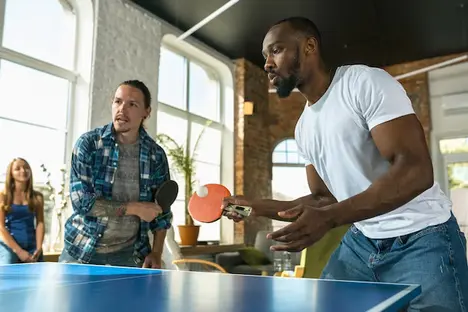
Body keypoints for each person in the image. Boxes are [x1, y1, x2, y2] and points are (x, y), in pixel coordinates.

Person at [223, 17, 468, 311]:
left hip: (423, 236)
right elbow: (323, 197)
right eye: (265, 56)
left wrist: (330, 218)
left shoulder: (363, 83)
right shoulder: (304, 128)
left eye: (276, 50)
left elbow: (416, 171)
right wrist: (252, 206)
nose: (267, 64)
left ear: (309, 46)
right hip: (363, 240)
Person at [59, 80, 172, 268]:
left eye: (132, 104)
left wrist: (156, 252)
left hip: (130, 255)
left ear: (146, 112)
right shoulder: (88, 144)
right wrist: (135, 208)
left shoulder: (156, 155)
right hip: (81, 250)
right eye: (118, 102)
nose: (122, 109)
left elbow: (162, 211)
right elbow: (83, 203)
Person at [0, 158, 44, 264]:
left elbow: (40, 223)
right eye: (17, 169)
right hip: (9, 247)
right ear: (11, 173)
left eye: (26, 168)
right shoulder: (3, 196)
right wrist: (19, 251)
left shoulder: (37, 197)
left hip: (32, 245)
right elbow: (0, 226)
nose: (23, 171)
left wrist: (38, 247)